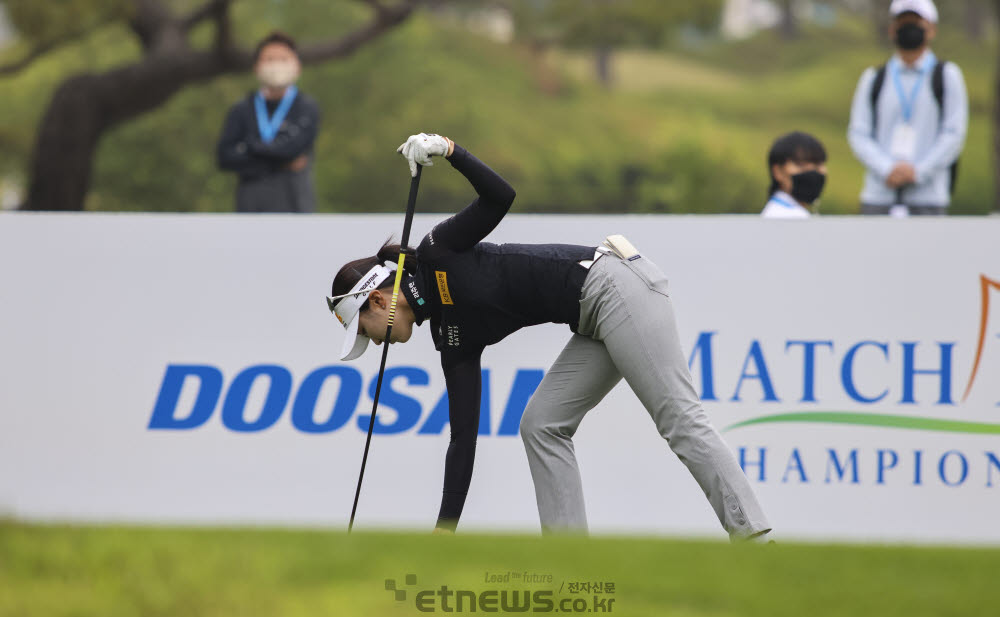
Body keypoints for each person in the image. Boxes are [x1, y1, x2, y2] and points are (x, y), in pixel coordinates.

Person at [327, 133, 772, 541]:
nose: (375, 343)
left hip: (616, 285)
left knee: (679, 420)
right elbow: (462, 440)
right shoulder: (450, 338)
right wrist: (444, 532)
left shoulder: (436, 251)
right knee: (541, 424)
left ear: (378, 301)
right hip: (592, 321)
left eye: (365, 331)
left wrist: (449, 150)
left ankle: (755, 538)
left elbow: (500, 197)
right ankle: (568, 558)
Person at [847, 0, 968, 217]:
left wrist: (918, 171)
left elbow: (953, 134)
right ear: (892, 30)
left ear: (931, 30)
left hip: (928, 196)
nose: (909, 29)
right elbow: (858, 133)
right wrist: (887, 168)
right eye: (903, 23)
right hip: (879, 195)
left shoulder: (947, 75)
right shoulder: (873, 78)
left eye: (916, 23)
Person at [217, 31, 321, 212]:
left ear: (297, 66)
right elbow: (225, 157)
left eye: (283, 59)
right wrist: (281, 161)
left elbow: (292, 149)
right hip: (251, 207)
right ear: (256, 66)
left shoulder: (307, 107)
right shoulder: (241, 109)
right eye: (270, 59)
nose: (276, 65)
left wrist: (249, 146)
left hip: (295, 206)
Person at [761, 132, 828, 219]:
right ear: (778, 171)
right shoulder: (784, 217)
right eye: (801, 164)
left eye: (818, 164)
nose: (811, 171)